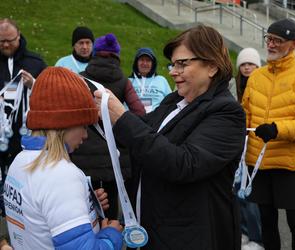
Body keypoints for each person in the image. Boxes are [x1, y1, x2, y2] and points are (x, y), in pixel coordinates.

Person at [95, 25, 246, 249]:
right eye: (173, 64)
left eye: (182, 64)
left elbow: (183, 163)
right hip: (156, 229)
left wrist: (121, 116)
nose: (173, 72)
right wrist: (99, 114)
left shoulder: (226, 112)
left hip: (191, 237)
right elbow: (138, 135)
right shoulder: (174, 101)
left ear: (212, 67)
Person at [4, 66, 123, 250]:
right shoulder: (61, 176)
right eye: (84, 126)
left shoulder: (19, 162)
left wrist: (85, 204)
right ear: (64, 124)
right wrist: (111, 235)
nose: (85, 135)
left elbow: (40, 218)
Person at [72, 33, 145, 220]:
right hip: (114, 155)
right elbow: (139, 113)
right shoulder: (123, 81)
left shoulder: (80, 79)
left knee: (85, 208)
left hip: (82, 151)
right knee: (111, 209)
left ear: (95, 54)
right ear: (117, 56)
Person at [242, 18, 295, 250]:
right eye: (269, 39)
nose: (271, 45)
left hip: (292, 164)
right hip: (259, 162)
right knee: (265, 221)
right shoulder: (256, 76)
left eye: (278, 40)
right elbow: (245, 114)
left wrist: (277, 129)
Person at [0, 18, 46, 248]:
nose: (6, 45)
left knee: (23, 190)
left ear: (19, 37)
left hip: (26, 141)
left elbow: (49, 94)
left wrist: (34, 84)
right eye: (1, 42)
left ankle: (23, 233)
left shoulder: (35, 62)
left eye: (10, 40)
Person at [234, 48, 264, 250]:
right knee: (237, 192)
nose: (246, 68)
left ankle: (257, 236)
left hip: (256, 145)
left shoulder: (262, 86)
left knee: (252, 195)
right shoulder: (233, 87)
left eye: (250, 64)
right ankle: (243, 232)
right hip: (238, 144)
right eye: (243, 64)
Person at [129, 47, 172, 113]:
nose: (145, 63)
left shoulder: (161, 80)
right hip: (132, 119)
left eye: (148, 60)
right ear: (136, 63)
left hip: (156, 120)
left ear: (153, 64)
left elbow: (171, 101)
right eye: (142, 60)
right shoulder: (129, 81)